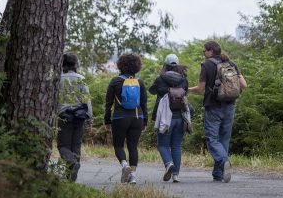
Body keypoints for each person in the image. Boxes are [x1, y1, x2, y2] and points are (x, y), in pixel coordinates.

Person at [189, 41, 247, 183]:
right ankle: (218, 174)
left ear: (210, 51)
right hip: (230, 106)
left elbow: (201, 89)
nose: (203, 53)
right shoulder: (231, 63)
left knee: (212, 138)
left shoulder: (207, 64)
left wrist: (188, 90)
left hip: (213, 106)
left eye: (204, 51)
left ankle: (224, 161)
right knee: (224, 139)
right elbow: (244, 85)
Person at [104, 53, 148, 184]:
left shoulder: (115, 81)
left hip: (120, 117)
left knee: (118, 145)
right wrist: (145, 120)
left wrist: (107, 120)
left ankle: (125, 166)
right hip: (137, 117)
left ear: (120, 65)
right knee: (133, 147)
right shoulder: (139, 82)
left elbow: (108, 103)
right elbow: (144, 103)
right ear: (137, 66)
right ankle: (133, 176)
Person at [149, 54, 189, 183]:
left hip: (166, 118)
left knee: (162, 145)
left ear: (165, 65)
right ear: (177, 65)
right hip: (180, 117)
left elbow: (152, 91)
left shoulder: (161, 78)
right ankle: (176, 175)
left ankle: (169, 163)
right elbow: (185, 92)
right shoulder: (183, 79)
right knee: (176, 146)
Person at [57, 52, 93, 182]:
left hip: (64, 116)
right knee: (76, 146)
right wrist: (90, 118)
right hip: (79, 117)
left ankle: (72, 164)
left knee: (62, 146)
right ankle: (71, 179)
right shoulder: (81, 79)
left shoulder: (59, 78)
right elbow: (86, 100)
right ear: (75, 64)